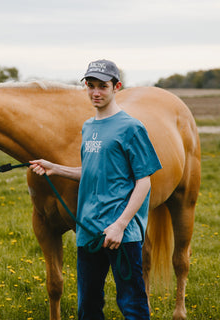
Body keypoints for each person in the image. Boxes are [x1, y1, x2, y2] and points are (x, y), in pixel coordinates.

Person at [30, 59, 162, 320]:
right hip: (88, 230)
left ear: (117, 87)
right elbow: (91, 172)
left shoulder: (131, 127)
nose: (96, 93)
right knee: (88, 306)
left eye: (103, 86)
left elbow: (144, 181)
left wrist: (121, 224)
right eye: (90, 86)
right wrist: (55, 168)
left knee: (132, 305)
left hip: (121, 234)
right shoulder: (88, 127)